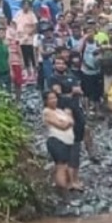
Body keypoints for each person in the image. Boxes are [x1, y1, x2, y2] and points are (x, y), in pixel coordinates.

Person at [48, 55, 90, 190]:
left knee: (76, 147)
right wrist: (72, 92)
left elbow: (80, 91)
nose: (60, 65)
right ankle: (67, 180)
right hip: (63, 115)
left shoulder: (72, 76)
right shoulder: (52, 78)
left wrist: (72, 92)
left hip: (77, 114)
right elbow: (58, 94)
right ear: (54, 65)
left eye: (62, 63)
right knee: (66, 147)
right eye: (57, 63)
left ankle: (75, 179)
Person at [42, 91, 74, 203]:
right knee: (61, 167)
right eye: (50, 98)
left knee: (63, 167)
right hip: (56, 141)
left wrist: (68, 120)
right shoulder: (47, 112)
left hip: (66, 142)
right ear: (45, 101)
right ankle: (65, 197)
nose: (54, 100)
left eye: (55, 98)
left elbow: (71, 120)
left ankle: (62, 193)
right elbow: (63, 126)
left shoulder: (59, 110)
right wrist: (68, 121)